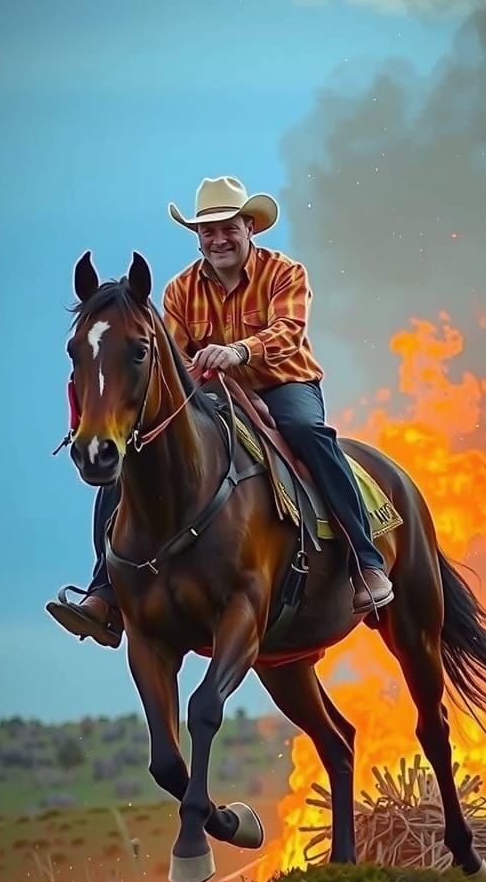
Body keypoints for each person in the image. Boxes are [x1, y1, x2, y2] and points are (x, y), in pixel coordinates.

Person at [46, 176, 393, 647]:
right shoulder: (180, 289)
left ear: (250, 227)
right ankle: (104, 593)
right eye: (207, 231)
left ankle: (365, 563)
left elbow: (289, 332)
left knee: (308, 433)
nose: (218, 239)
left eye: (228, 227)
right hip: (212, 394)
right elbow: (170, 356)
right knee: (134, 454)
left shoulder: (285, 274)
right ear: (198, 237)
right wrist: (193, 371)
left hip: (282, 383)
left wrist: (239, 353)